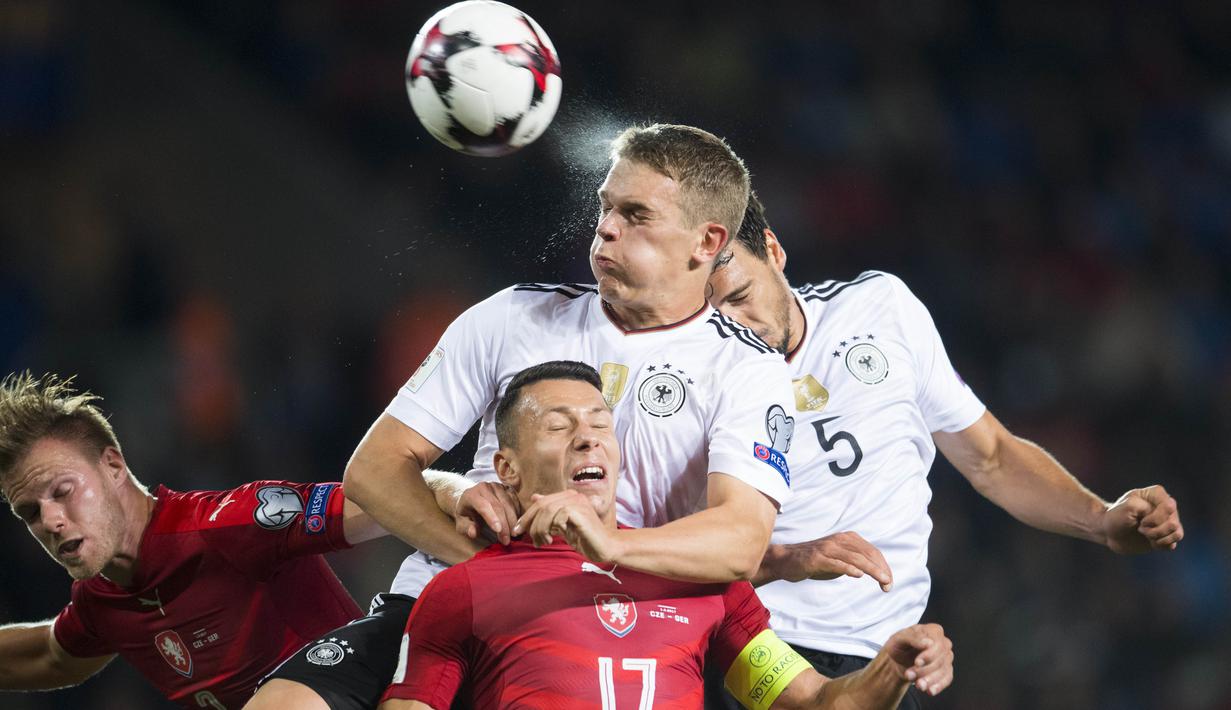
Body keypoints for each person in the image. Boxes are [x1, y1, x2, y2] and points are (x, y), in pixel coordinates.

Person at [247, 124, 818, 710]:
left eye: (636, 214)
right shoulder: (511, 316)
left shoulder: (746, 367)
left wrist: (607, 551)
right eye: (605, 207)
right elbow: (374, 469)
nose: (607, 228)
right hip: (440, 605)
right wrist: (483, 570)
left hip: (603, 625)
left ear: (707, 241)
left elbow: (739, 540)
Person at [701, 192, 1185, 709]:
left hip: (886, 659)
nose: (732, 324)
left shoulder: (882, 309)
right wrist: (787, 557)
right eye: (712, 314)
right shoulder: (699, 373)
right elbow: (675, 547)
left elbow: (991, 456)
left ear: (773, 251)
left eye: (739, 296)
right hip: (757, 647)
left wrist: (1101, 520)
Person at [379, 360, 954, 710]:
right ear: (506, 469)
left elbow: (815, 704)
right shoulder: (464, 590)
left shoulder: (699, 580)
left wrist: (891, 668)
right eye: (559, 426)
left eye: (601, 423)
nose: (588, 438)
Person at [0, 372, 388, 709]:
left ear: (114, 466)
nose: (50, 521)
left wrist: (452, 502)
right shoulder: (102, 601)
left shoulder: (230, 524)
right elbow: (49, 655)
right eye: (30, 513)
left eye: (63, 491)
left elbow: (382, 500)